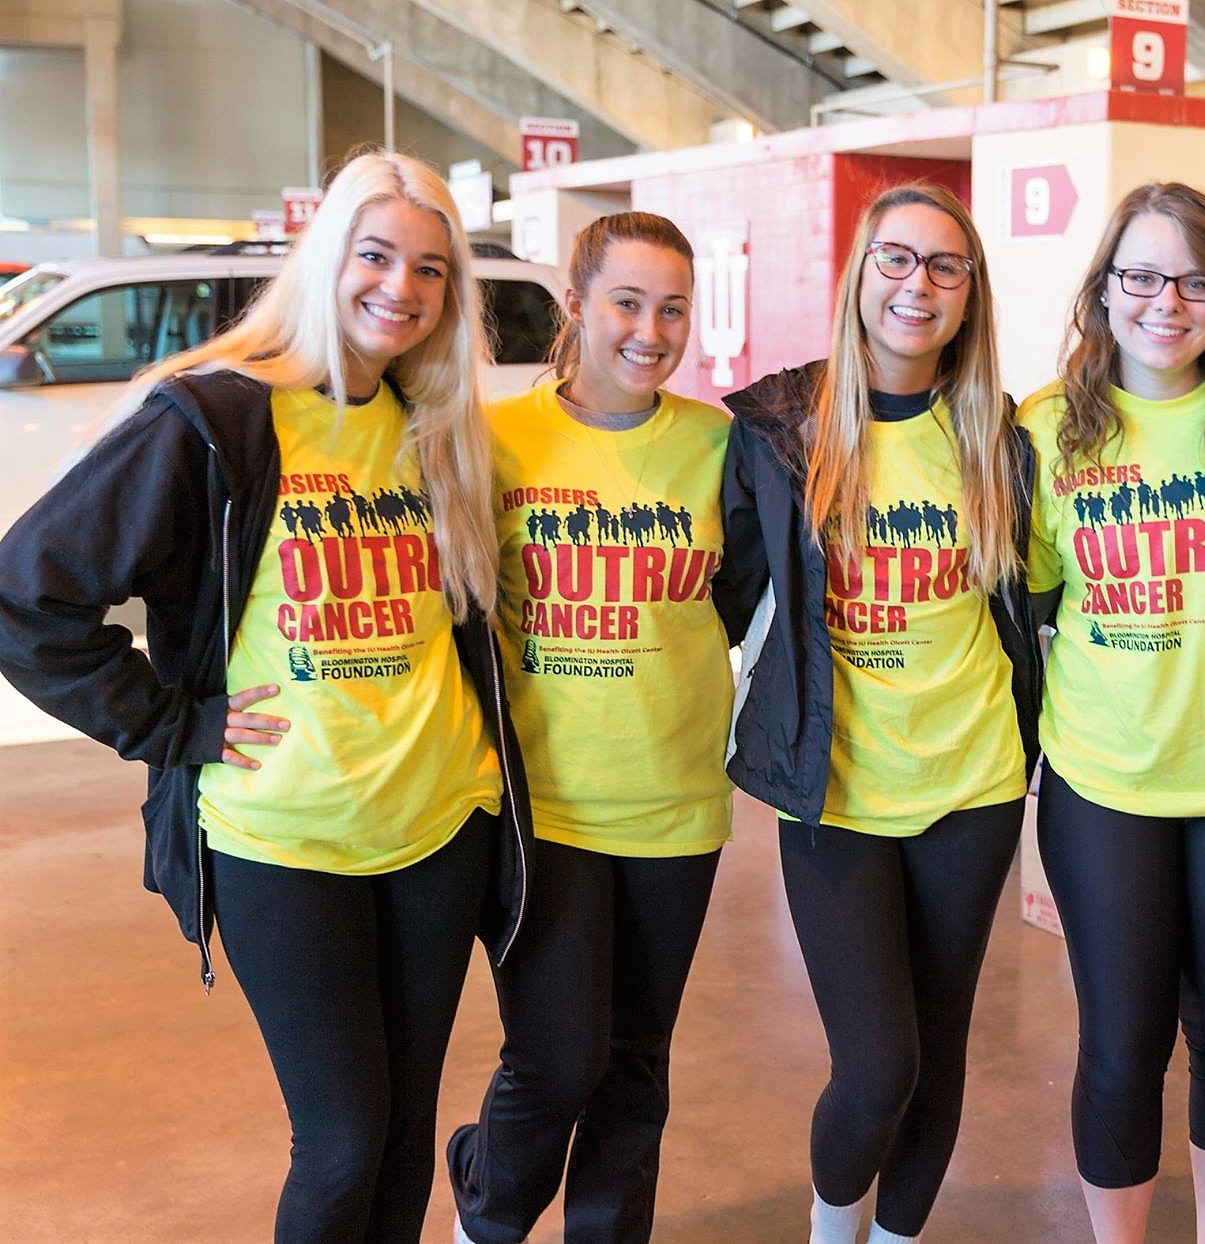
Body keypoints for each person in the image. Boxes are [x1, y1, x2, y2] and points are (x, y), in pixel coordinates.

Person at [0, 150, 531, 1244]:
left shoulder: (433, 424)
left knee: (403, 1136)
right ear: (326, 255)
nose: (401, 287)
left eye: (431, 269)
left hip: (440, 825)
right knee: (341, 1142)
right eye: (376, 255)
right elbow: (27, 593)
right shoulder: (217, 416)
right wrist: (171, 724)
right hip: (281, 836)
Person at [718, 183, 1041, 1244]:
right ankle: (831, 1231)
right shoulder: (783, 429)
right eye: (896, 258)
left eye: (946, 266)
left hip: (972, 784)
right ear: (860, 273)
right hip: (836, 791)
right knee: (877, 1065)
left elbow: (1036, 599)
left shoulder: (996, 435)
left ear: (969, 293)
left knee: (937, 1051)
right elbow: (722, 588)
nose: (918, 284)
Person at [448, 212, 744, 1244]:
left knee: (636, 1062)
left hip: (677, 806)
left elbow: (746, 595)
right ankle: (487, 1209)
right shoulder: (495, 441)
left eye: (672, 309)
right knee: (554, 1056)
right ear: (574, 304)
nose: (649, 331)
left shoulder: (719, 446)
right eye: (626, 302)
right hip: (546, 811)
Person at [1018, 182, 1205, 1244]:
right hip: (1104, 783)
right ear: (1103, 289)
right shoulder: (1048, 428)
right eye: (1140, 276)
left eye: (1194, 281)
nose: (1165, 303)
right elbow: (1029, 599)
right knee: (1121, 1044)